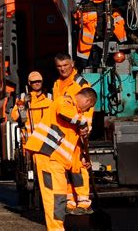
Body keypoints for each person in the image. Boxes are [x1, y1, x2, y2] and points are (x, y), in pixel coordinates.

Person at [25, 88, 97, 230]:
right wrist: (83, 123)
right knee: (54, 199)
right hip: (47, 157)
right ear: (88, 101)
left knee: (59, 198)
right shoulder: (65, 101)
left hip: (55, 161)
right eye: (87, 107)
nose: (85, 110)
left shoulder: (75, 116)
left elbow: (71, 147)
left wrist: (81, 161)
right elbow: (64, 113)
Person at [53, 53, 94, 215]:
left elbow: (88, 107)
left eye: (66, 65)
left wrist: (86, 128)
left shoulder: (81, 84)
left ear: (73, 64)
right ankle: (70, 201)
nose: (63, 69)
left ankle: (83, 202)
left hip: (76, 133)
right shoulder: (57, 84)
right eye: (59, 66)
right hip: (61, 134)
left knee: (79, 167)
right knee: (65, 169)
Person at [10, 71, 52, 140]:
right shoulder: (22, 98)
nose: (37, 83)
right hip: (28, 140)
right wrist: (24, 105)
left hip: (45, 141)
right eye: (34, 82)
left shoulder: (49, 98)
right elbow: (14, 116)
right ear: (29, 83)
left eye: (39, 81)